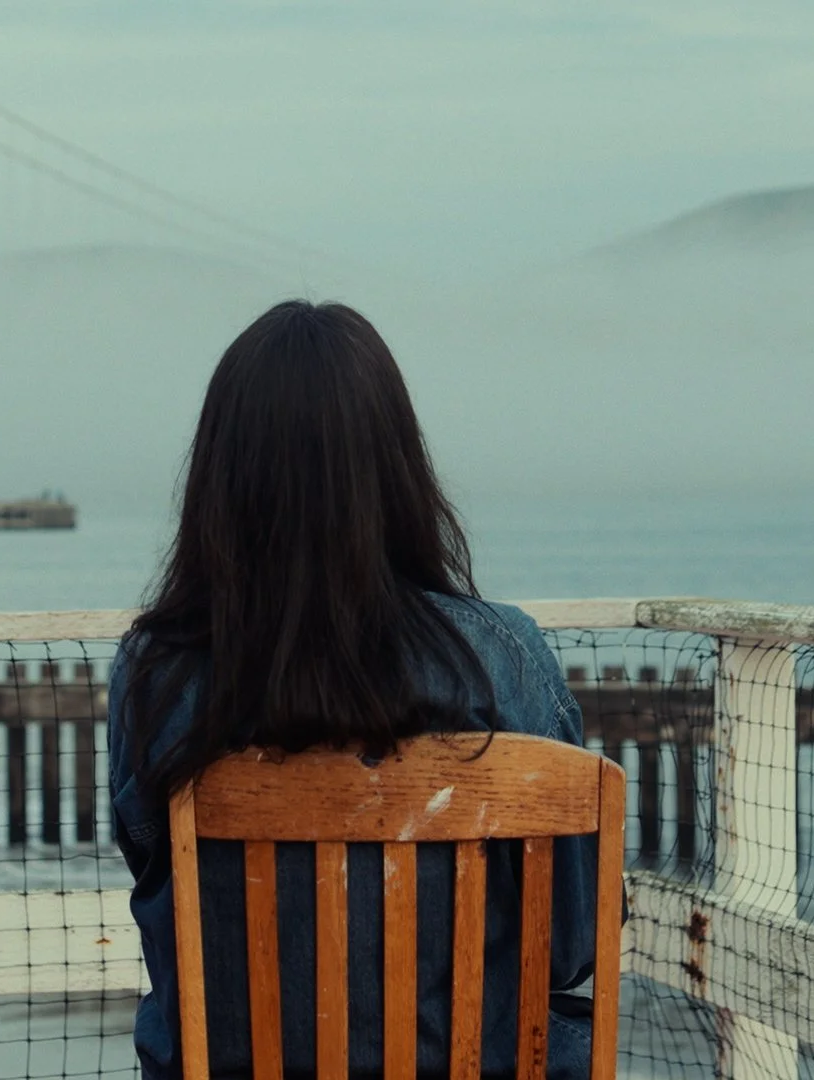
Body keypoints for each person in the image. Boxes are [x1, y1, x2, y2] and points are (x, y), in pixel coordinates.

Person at [108, 300, 600, 1079]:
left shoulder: (155, 671)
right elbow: (573, 941)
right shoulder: (504, 657)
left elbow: (159, 897)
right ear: (396, 467)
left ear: (220, 476)